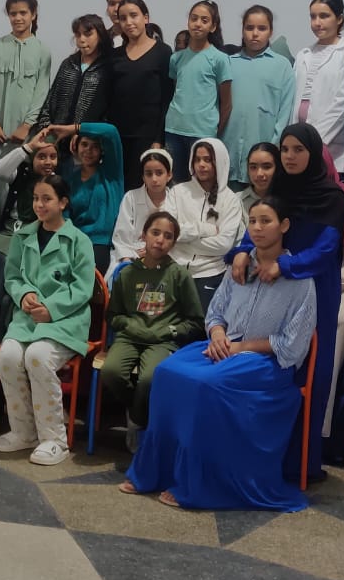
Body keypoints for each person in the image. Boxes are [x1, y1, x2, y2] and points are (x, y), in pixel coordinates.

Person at [122, 196, 316, 512]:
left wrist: (241, 347)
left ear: (284, 225)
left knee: (205, 384)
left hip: (266, 363)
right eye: (252, 221)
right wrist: (217, 334)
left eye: (265, 221)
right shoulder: (239, 265)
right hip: (224, 346)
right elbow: (216, 312)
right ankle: (155, 471)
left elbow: (294, 344)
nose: (257, 227)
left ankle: (194, 483)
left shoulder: (300, 279)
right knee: (166, 372)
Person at [228, 123, 344, 480]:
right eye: (285, 149)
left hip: (316, 287)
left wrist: (286, 265)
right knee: (271, 364)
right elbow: (263, 226)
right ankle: (263, 459)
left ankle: (300, 465)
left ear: (314, 153)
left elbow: (326, 250)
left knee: (310, 371)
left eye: (299, 149)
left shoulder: (333, 196)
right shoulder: (279, 188)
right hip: (274, 286)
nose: (290, 156)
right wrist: (243, 250)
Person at [0, 175, 96, 465]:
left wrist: (51, 308)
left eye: (47, 199)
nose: (39, 204)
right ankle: (23, 432)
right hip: (27, 319)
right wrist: (24, 294)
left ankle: (54, 439)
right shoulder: (22, 236)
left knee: (37, 357)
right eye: (36, 198)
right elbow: (13, 277)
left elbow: (83, 288)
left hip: (65, 320)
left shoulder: (79, 241)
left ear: (62, 203)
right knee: (8, 357)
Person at [100, 211, 203, 445]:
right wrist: (129, 325)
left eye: (168, 236)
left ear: (173, 243)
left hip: (162, 341)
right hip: (129, 338)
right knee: (111, 372)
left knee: (150, 379)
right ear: (143, 235)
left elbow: (196, 321)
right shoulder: (127, 273)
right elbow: (113, 315)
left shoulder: (179, 275)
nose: (160, 240)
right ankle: (139, 412)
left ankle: (137, 421)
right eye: (155, 233)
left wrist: (170, 331)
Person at [0, 0, 52, 200]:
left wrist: (26, 126)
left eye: (23, 13)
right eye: (13, 14)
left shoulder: (43, 51)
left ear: (33, 14)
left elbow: (41, 93)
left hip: (25, 132)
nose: (18, 18)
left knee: (23, 179)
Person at [165, 138, 243, 307]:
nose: (201, 165)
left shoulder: (231, 200)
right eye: (197, 159)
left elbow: (223, 245)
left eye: (207, 160)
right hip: (172, 267)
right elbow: (167, 231)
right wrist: (206, 230)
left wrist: (180, 241)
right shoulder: (177, 192)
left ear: (219, 162)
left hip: (211, 273)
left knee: (201, 321)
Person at [223, 5, 295, 187]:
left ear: (271, 31)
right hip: (228, 154)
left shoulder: (282, 66)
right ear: (242, 30)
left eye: (262, 28)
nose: (255, 34)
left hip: (264, 161)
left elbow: (285, 113)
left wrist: (273, 148)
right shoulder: (228, 63)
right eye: (249, 28)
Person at [164, 0, 232, 184]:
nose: (198, 24)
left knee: (203, 184)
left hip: (203, 131)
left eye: (204, 20)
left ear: (213, 26)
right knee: (176, 184)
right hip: (174, 129)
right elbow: (176, 91)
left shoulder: (220, 59)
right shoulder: (176, 58)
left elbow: (227, 103)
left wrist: (214, 130)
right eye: (194, 18)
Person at [109, 0, 173, 188]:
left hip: (148, 136)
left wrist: (158, 139)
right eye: (123, 18)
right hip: (118, 136)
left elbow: (167, 98)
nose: (128, 22)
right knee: (120, 188)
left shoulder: (163, 51)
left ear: (145, 18)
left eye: (133, 16)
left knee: (144, 189)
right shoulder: (115, 55)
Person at [294, 0, 344, 178]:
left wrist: (313, 141)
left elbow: (343, 104)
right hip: (298, 146)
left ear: (339, 19)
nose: (317, 22)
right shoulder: (303, 55)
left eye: (324, 16)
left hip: (332, 149)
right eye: (313, 16)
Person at [36, 15, 113, 147]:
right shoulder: (68, 64)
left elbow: (107, 109)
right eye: (78, 35)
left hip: (88, 143)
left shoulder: (108, 67)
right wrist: (45, 128)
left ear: (100, 36)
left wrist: (86, 134)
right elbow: (51, 100)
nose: (82, 39)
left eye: (88, 34)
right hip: (57, 140)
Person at [61, 121, 124, 273]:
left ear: (102, 150)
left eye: (95, 146)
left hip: (101, 243)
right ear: (76, 146)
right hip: (74, 241)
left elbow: (111, 131)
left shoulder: (111, 174)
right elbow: (65, 215)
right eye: (84, 144)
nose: (89, 150)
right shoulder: (70, 179)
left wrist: (74, 128)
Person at [109, 148, 173, 278]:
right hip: (133, 253)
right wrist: (128, 260)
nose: (154, 179)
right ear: (143, 177)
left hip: (166, 254)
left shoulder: (176, 199)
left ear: (169, 175)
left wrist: (153, 250)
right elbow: (121, 236)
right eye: (148, 174)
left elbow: (180, 235)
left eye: (159, 173)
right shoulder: (131, 197)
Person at [0, 126, 60, 242]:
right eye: (42, 157)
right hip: (10, 229)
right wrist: (28, 147)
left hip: (36, 235)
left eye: (53, 157)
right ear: (32, 158)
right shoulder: (21, 173)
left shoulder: (56, 182)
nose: (48, 162)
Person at [239, 142, 279, 215]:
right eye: (253, 167)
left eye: (266, 167)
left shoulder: (289, 201)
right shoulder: (236, 201)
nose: (259, 174)